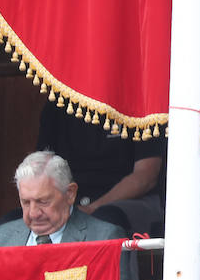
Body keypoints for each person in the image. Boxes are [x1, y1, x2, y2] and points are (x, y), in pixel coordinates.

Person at [0, 151, 137, 280]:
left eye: (43, 202)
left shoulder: (104, 238)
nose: (33, 213)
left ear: (70, 194)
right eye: (25, 202)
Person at [36, 100, 165, 235]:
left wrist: (92, 208)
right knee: (16, 223)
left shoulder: (140, 102)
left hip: (131, 202)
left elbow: (146, 175)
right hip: (69, 202)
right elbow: (40, 170)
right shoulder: (58, 103)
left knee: (103, 222)